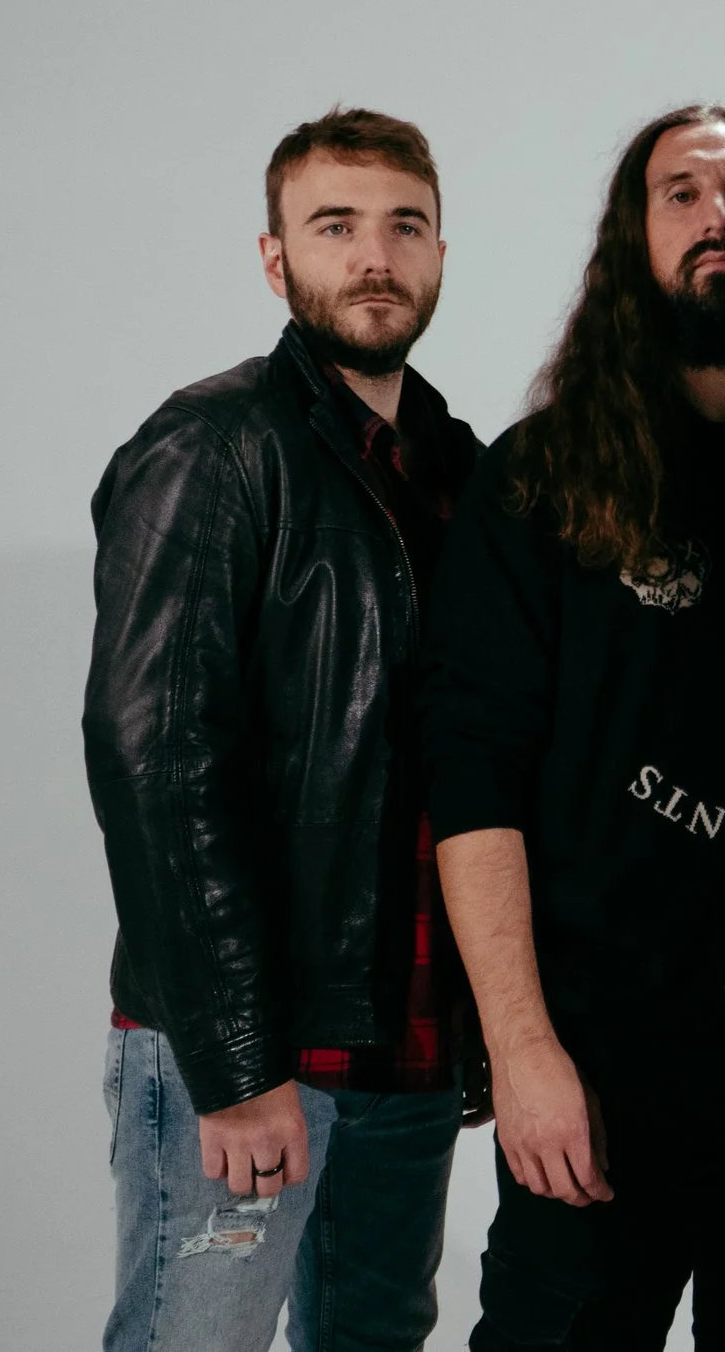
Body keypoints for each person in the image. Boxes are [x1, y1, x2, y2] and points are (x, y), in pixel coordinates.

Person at [421, 105, 725, 1350]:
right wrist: (521, 1053)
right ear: (632, 238)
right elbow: (473, 780)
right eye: (681, 193)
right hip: (596, 1072)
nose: (718, 217)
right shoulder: (543, 480)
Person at [84, 107, 479, 1352]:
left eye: (403, 225)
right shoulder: (215, 445)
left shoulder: (455, 470)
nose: (375, 254)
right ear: (275, 259)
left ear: (439, 253)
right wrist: (239, 1063)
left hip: (402, 1045)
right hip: (253, 1049)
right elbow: (153, 759)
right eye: (336, 225)